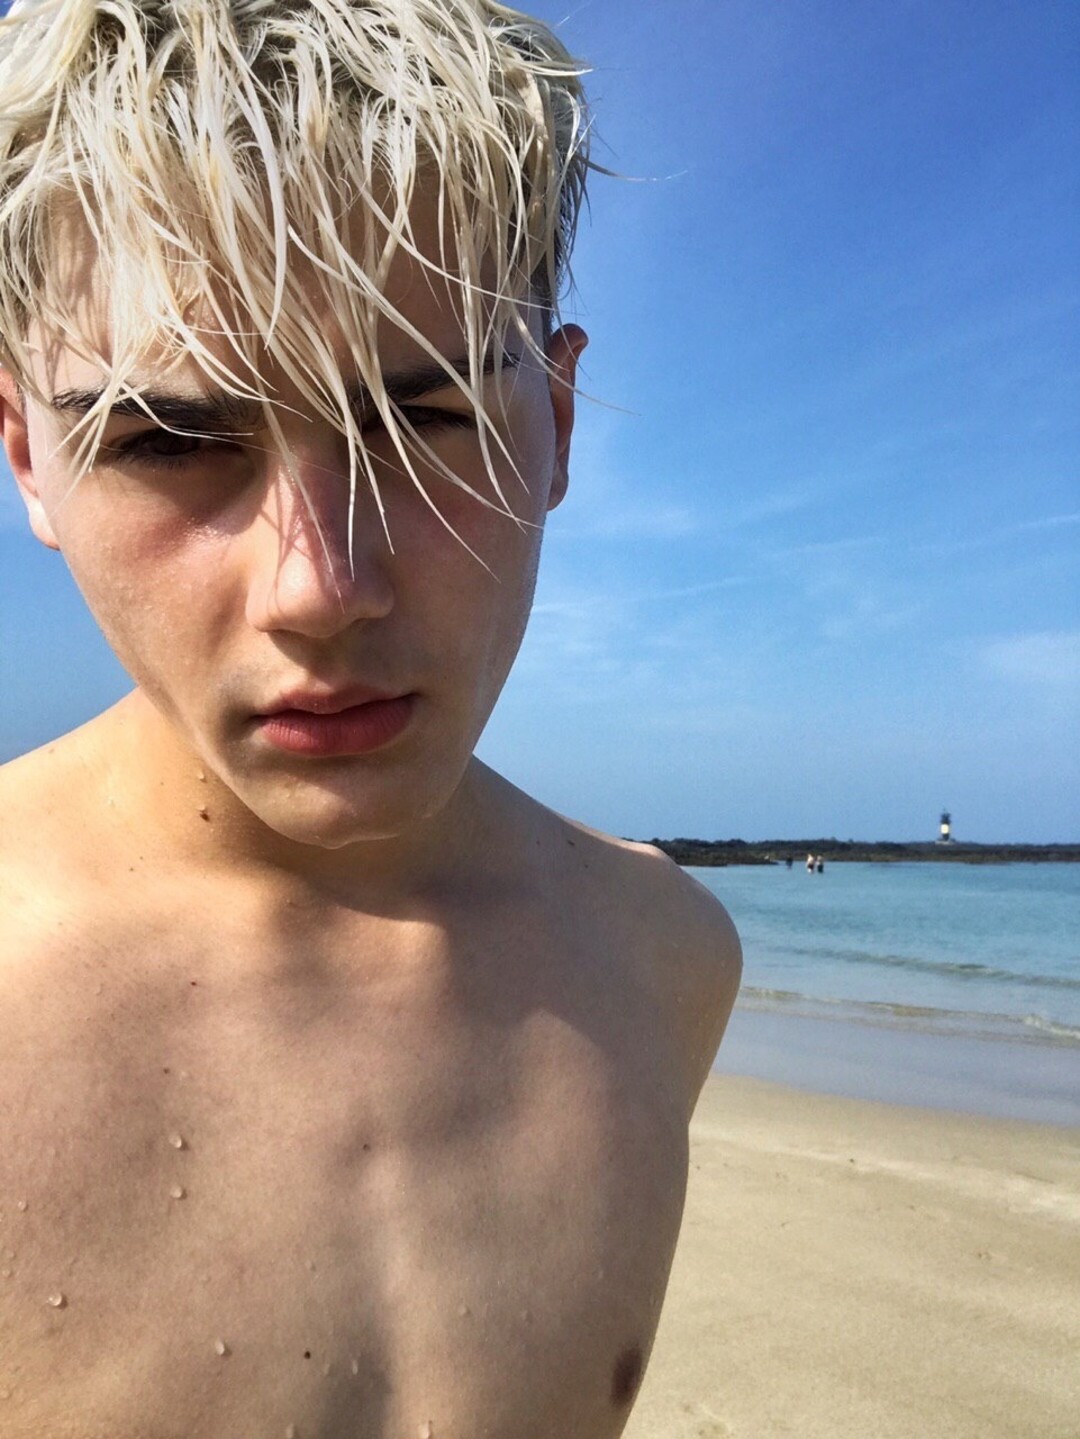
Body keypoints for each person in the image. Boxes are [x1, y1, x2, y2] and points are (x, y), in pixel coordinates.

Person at [0, 1, 741, 1434]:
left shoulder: (666, 959)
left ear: (559, 427)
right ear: (30, 455)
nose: (321, 587)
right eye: (173, 439)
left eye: (427, 418)